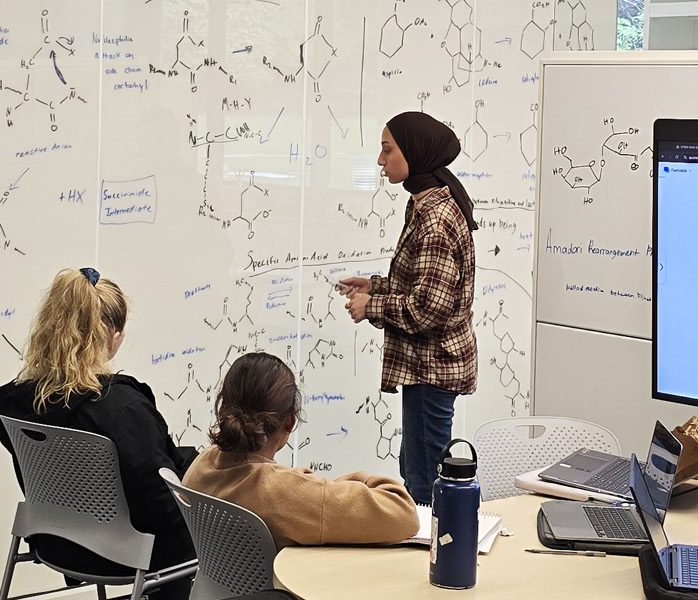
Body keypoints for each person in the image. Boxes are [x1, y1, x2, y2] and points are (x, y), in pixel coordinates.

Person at [0, 268, 194, 600]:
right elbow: (160, 508)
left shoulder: (18, 404)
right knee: (193, 524)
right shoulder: (122, 408)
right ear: (113, 336)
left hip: (57, 542)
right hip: (124, 554)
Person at [338, 111, 480, 503]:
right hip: (427, 365)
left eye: (387, 150)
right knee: (417, 469)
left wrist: (372, 307)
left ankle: (441, 558)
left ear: (414, 153)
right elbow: (421, 285)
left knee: (426, 481)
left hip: (431, 367)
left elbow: (426, 310)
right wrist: (374, 286)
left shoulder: (435, 219)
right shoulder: (423, 203)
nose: (381, 161)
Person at [182, 352, 419, 547]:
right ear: (290, 421)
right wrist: (350, 481)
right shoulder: (288, 494)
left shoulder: (203, 464)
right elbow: (403, 513)